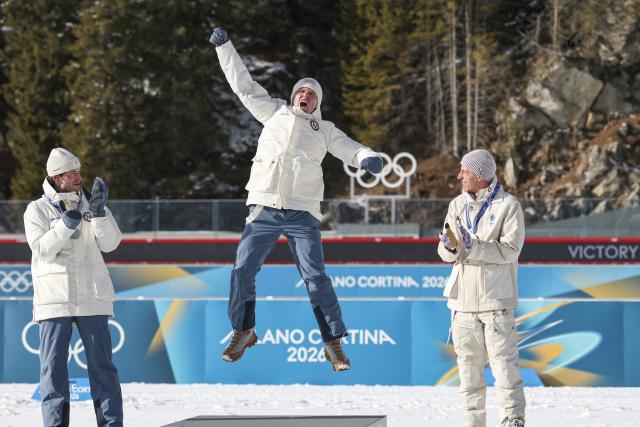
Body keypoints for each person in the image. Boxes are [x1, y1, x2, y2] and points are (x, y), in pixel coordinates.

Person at [209, 26, 383, 372]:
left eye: (311, 94)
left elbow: (350, 147)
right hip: (264, 207)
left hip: (302, 212)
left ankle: (332, 342)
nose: (305, 95)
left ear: (317, 103)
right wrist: (225, 48)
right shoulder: (272, 112)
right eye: (301, 91)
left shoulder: (324, 130)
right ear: (293, 97)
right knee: (243, 268)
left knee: (315, 275)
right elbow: (243, 85)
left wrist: (367, 158)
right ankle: (244, 331)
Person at [23, 147, 123, 427]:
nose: (79, 177)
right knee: (52, 372)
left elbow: (111, 244)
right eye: (72, 172)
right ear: (55, 177)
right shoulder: (36, 209)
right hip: (54, 301)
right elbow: (42, 249)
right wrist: (64, 226)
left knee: (103, 370)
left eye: (79, 171)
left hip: (93, 297)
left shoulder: (93, 203)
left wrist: (100, 214)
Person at [437, 149, 526, 427]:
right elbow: (445, 250)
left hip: (496, 303)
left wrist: (473, 247)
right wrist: (450, 247)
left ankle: (512, 419)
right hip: (462, 304)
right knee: (468, 375)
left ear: (479, 174)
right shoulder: (456, 205)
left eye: (464, 170)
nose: (458, 175)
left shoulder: (508, 206)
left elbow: (510, 251)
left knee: (505, 370)